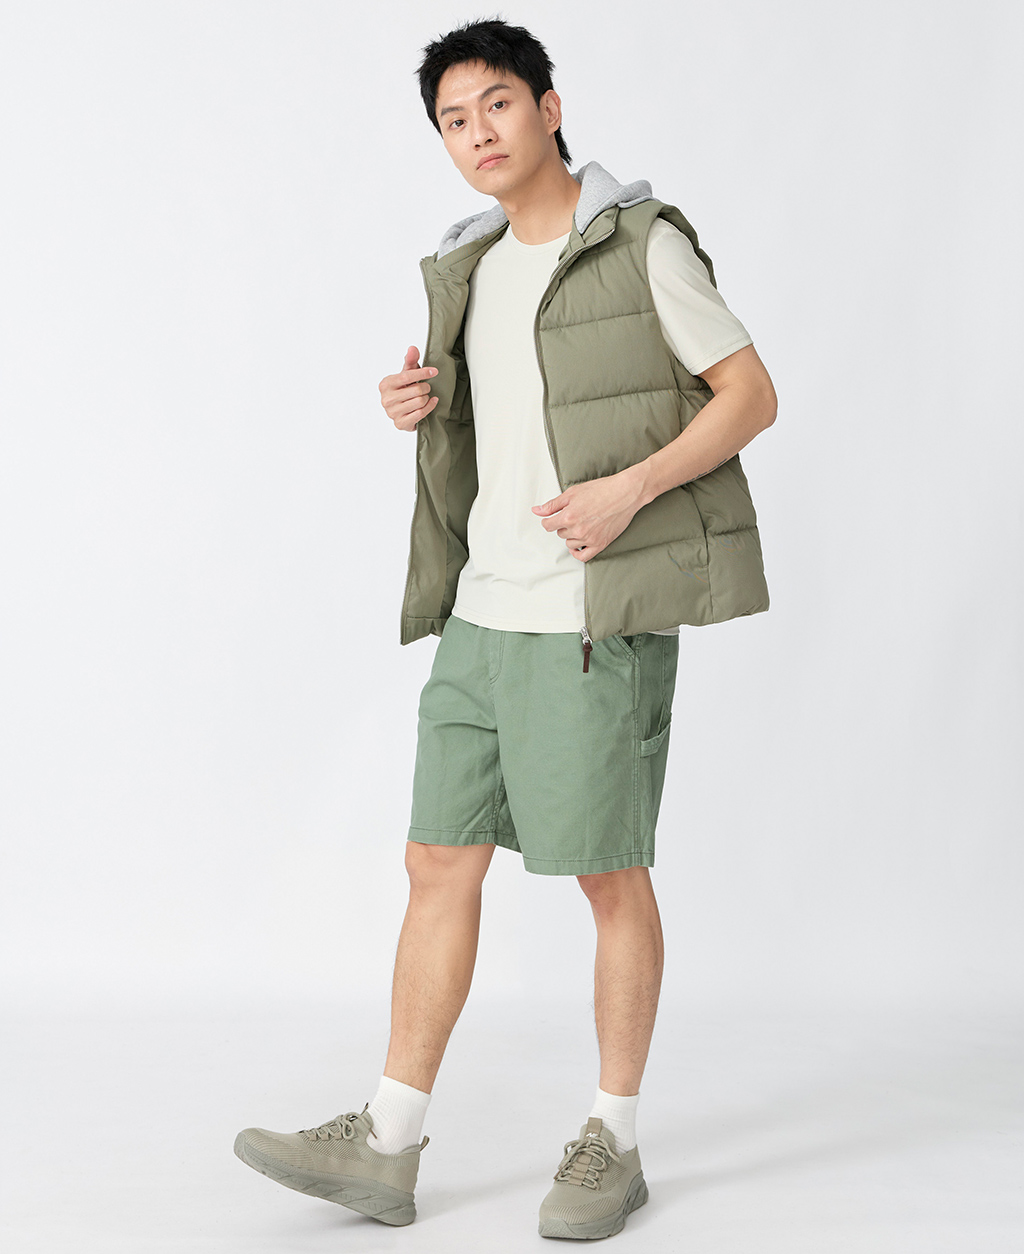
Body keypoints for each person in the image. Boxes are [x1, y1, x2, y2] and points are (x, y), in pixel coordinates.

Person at [234, 16, 776, 1241]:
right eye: (453, 119)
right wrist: (419, 403)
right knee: (437, 864)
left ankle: (612, 1142)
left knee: (606, 873)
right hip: (480, 614)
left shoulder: (639, 243)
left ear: (548, 107)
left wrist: (629, 489)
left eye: (496, 104)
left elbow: (750, 394)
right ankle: (388, 1142)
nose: (477, 133)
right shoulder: (469, 262)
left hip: (590, 617)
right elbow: (506, 423)